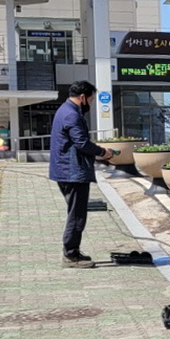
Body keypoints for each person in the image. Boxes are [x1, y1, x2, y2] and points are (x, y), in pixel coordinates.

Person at [48, 81, 116, 269]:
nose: (91, 104)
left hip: (66, 170)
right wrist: (103, 152)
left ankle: (72, 251)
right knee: (77, 215)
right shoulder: (71, 114)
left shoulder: (64, 110)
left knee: (75, 212)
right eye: (91, 100)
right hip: (72, 172)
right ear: (83, 97)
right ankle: (71, 254)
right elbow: (82, 143)